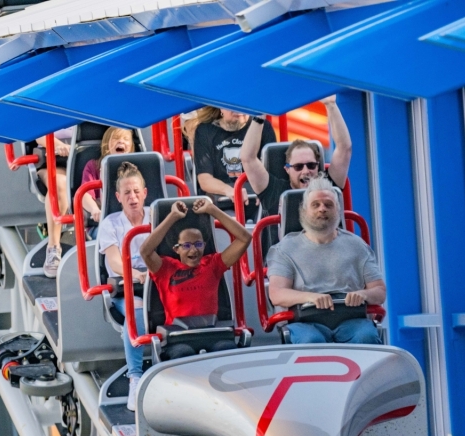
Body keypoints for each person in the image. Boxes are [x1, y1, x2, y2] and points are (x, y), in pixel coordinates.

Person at [266, 178, 384, 345]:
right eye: (316, 205)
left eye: (328, 205)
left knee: (366, 337)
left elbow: (379, 291)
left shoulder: (357, 245)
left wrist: (363, 294)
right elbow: (277, 294)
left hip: (351, 319)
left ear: (338, 210)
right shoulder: (284, 249)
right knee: (311, 341)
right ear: (304, 210)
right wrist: (311, 297)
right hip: (306, 321)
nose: (322, 209)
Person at [140, 198, 251, 359]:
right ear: (176, 249)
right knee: (184, 354)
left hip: (212, 334)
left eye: (198, 244)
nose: (193, 250)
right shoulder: (166, 268)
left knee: (227, 350)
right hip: (178, 338)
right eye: (186, 245)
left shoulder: (213, 264)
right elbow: (145, 251)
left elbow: (245, 238)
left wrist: (212, 210)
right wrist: (172, 216)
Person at [241, 95, 352, 219]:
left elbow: (344, 148)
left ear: (318, 165)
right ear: (287, 169)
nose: (306, 171)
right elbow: (248, 158)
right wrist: (258, 119)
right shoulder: (274, 191)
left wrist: (331, 105)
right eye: (298, 167)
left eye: (311, 165)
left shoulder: (327, 185)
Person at [97, 162, 151, 409]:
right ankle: (135, 377)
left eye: (137, 191)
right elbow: (115, 262)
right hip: (127, 285)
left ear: (145, 193)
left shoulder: (155, 216)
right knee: (136, 308)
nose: (133, 197)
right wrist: (136, 274)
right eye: (127, 193)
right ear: (118, 197)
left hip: (157, 279)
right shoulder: (111, 223)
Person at [192, 107, 276, 203]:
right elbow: (205, 180)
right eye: (233, 105)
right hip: (222, 200)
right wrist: (230, 191)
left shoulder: (262, 127)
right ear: (221, 107)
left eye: (243, 104)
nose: (239, 109)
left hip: (257, 197)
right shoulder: (205, 131)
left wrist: (266, 190)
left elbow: (273, 171)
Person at [37, 127, 74, 278]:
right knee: (60, 183)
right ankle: (53, 247)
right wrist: (58, 145)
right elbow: (38, 133)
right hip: (53, 160)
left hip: (85, 158)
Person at [80, 127, 134, 223]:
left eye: (126, 139)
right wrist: (94, 209)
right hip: (104, 222)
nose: (121, 141)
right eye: (116, 138)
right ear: (107, 143)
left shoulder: (136, 167)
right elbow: (85, 195)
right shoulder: (93, 166)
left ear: (131, 146)